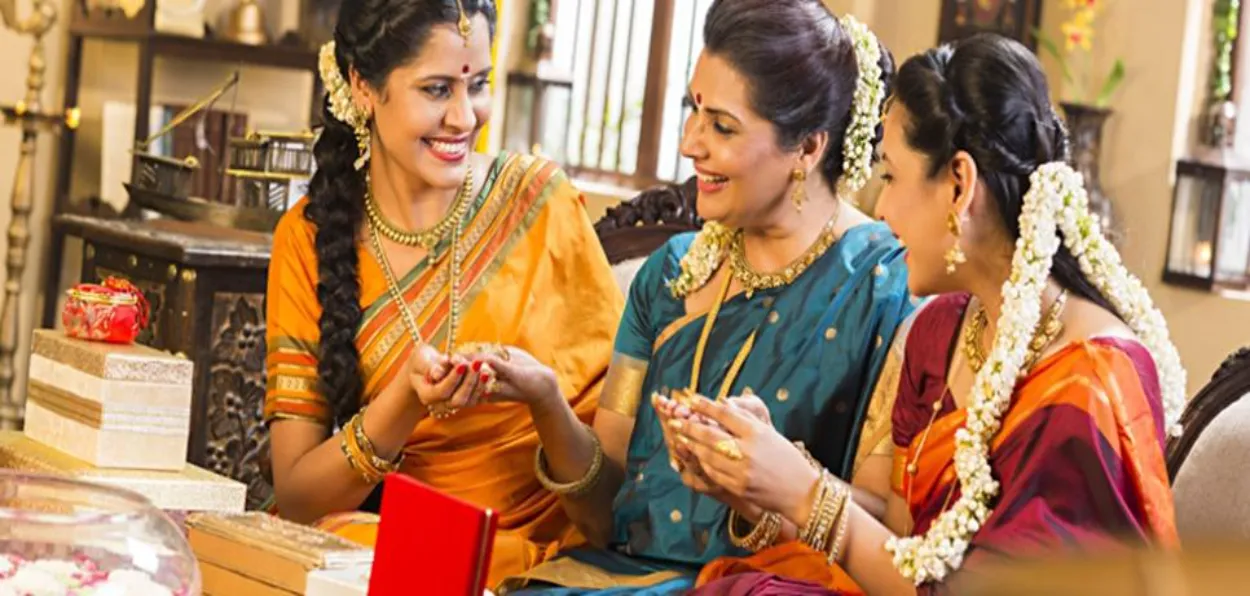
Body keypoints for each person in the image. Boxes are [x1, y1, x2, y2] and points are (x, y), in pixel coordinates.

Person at [683, 34, 1184, 595]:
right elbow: (901, 535)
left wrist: (805, 491)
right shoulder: (940, 332)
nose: (880, 207)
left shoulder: (1092, 381)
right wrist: (761, 482)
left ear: (959, 185)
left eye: (892, 176)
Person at [458, 1, 914, 592]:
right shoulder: (669, 278)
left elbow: (887, 528)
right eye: (694, 110)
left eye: (722, 127)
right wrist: (547, 402)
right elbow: (604, 514)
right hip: (613, 580)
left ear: (808, 149)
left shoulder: (884, 285)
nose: (689, 144)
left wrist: (774, 482)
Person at [263, 0, 623, 586]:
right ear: (363, 87)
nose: (465, 117)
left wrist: (544, 398)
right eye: (436, 90)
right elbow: (300, 499)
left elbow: (614, 507)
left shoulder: (539, 204)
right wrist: (405, 400)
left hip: (546, 560)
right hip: (392, 548)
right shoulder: (307, 239)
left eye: (477, 85)